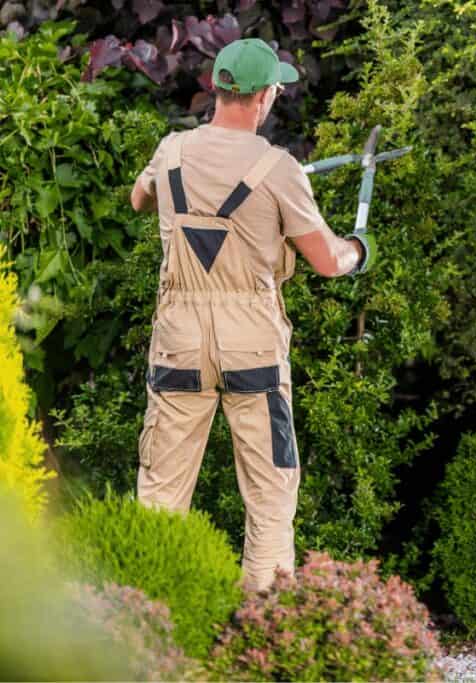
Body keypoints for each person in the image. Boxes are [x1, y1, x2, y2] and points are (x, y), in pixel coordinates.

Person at [128, 37, 372, 590]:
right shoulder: (279, 169)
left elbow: (138, 199)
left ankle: (145, 634)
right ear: (263, 97)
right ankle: (261, 631)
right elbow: (329, 261)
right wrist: (359, 249)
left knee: (160, 494)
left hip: (179, 340)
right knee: (269, 493)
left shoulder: (170, 152)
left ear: (217, 88)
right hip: (252, 345)